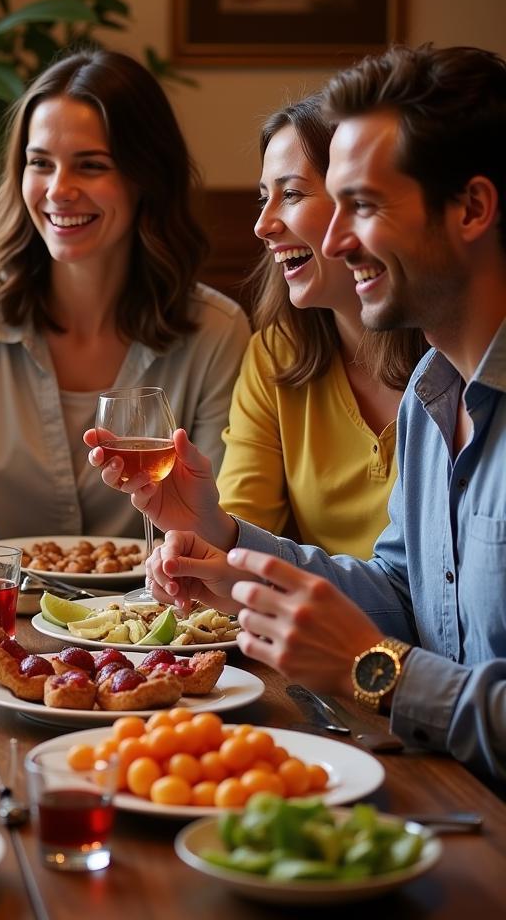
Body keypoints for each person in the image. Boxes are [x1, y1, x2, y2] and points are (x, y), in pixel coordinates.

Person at [147, 45, 506, 783]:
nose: (335, 240)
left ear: (472, 208)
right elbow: (407, 596)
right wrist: (231, 555)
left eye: (364, 206)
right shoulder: (431, 400)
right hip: (442, 797)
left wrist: (379, 672)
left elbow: (387, 653)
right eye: (333, 204)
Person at [0, 49, 250, 564]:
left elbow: (226, 506)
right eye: (40, 163)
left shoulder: (216, 332)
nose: (59, 190)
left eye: (91, 165)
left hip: (145, 621)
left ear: (146, 177)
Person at [215, 94, 427, 556]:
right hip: (321, 622)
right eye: (263, 197)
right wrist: (199, 521)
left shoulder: (455, 355)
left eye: (290, 194)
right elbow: (240, 536)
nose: (262, 225)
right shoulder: (276, 354)